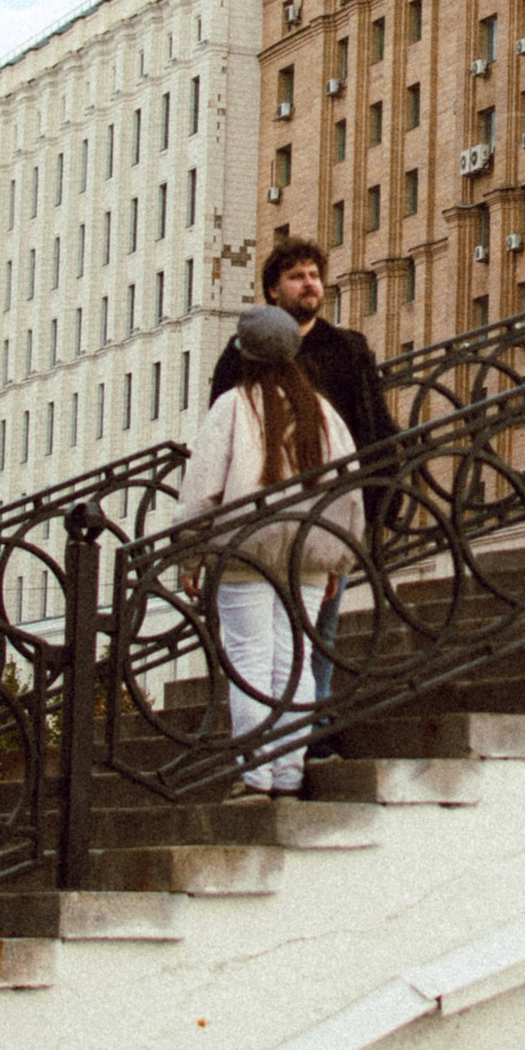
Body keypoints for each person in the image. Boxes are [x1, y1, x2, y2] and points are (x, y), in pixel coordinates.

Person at [176, 303, 365, 796]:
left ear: (246, 355)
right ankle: (288, 773)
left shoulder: (233, 407)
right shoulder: (323, 413)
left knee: (249, 663)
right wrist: (337, 564)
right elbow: (349, 490)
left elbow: (201, 491)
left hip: (245, 551)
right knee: (294, 663)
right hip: (307, 553)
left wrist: (189, 556)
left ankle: (254, 775)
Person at [209, 241, 398, 712]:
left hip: (326, 515)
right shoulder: (241, 356)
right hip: (258, 516)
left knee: (317, 632)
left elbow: (374, 428)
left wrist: (378, 509)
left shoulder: (347, 349)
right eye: (296, 276)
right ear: (273, 291)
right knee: (262, 640)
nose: (310, 283)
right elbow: (219, 439)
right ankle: (273, 737)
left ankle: (307, 735)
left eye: (314, 274)